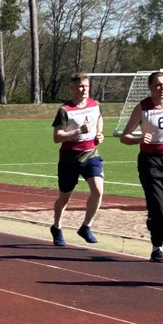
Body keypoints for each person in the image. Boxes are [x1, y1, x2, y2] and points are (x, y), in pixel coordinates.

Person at [119, 70, 163, 263]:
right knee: (159, 209)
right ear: (150, 87)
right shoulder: (142, 108)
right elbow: (124, 137)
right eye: (158, 84)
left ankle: (153, 218)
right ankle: (157, 248)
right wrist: (140, 139)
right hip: (150, 161)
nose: (162, 88)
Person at [49, 73, 105, 246]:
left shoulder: (95, 105)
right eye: (80, 86)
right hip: (69, 159)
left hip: (91, 155)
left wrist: (99, 133)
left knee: (98, 190)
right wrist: (77, 131)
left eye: (86, 86)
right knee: (65, 197)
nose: (83, 90)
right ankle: (57, 227)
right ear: (72, 89)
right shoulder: (65, 110)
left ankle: (86, 226)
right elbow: (57, 137)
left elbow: (99, 119)